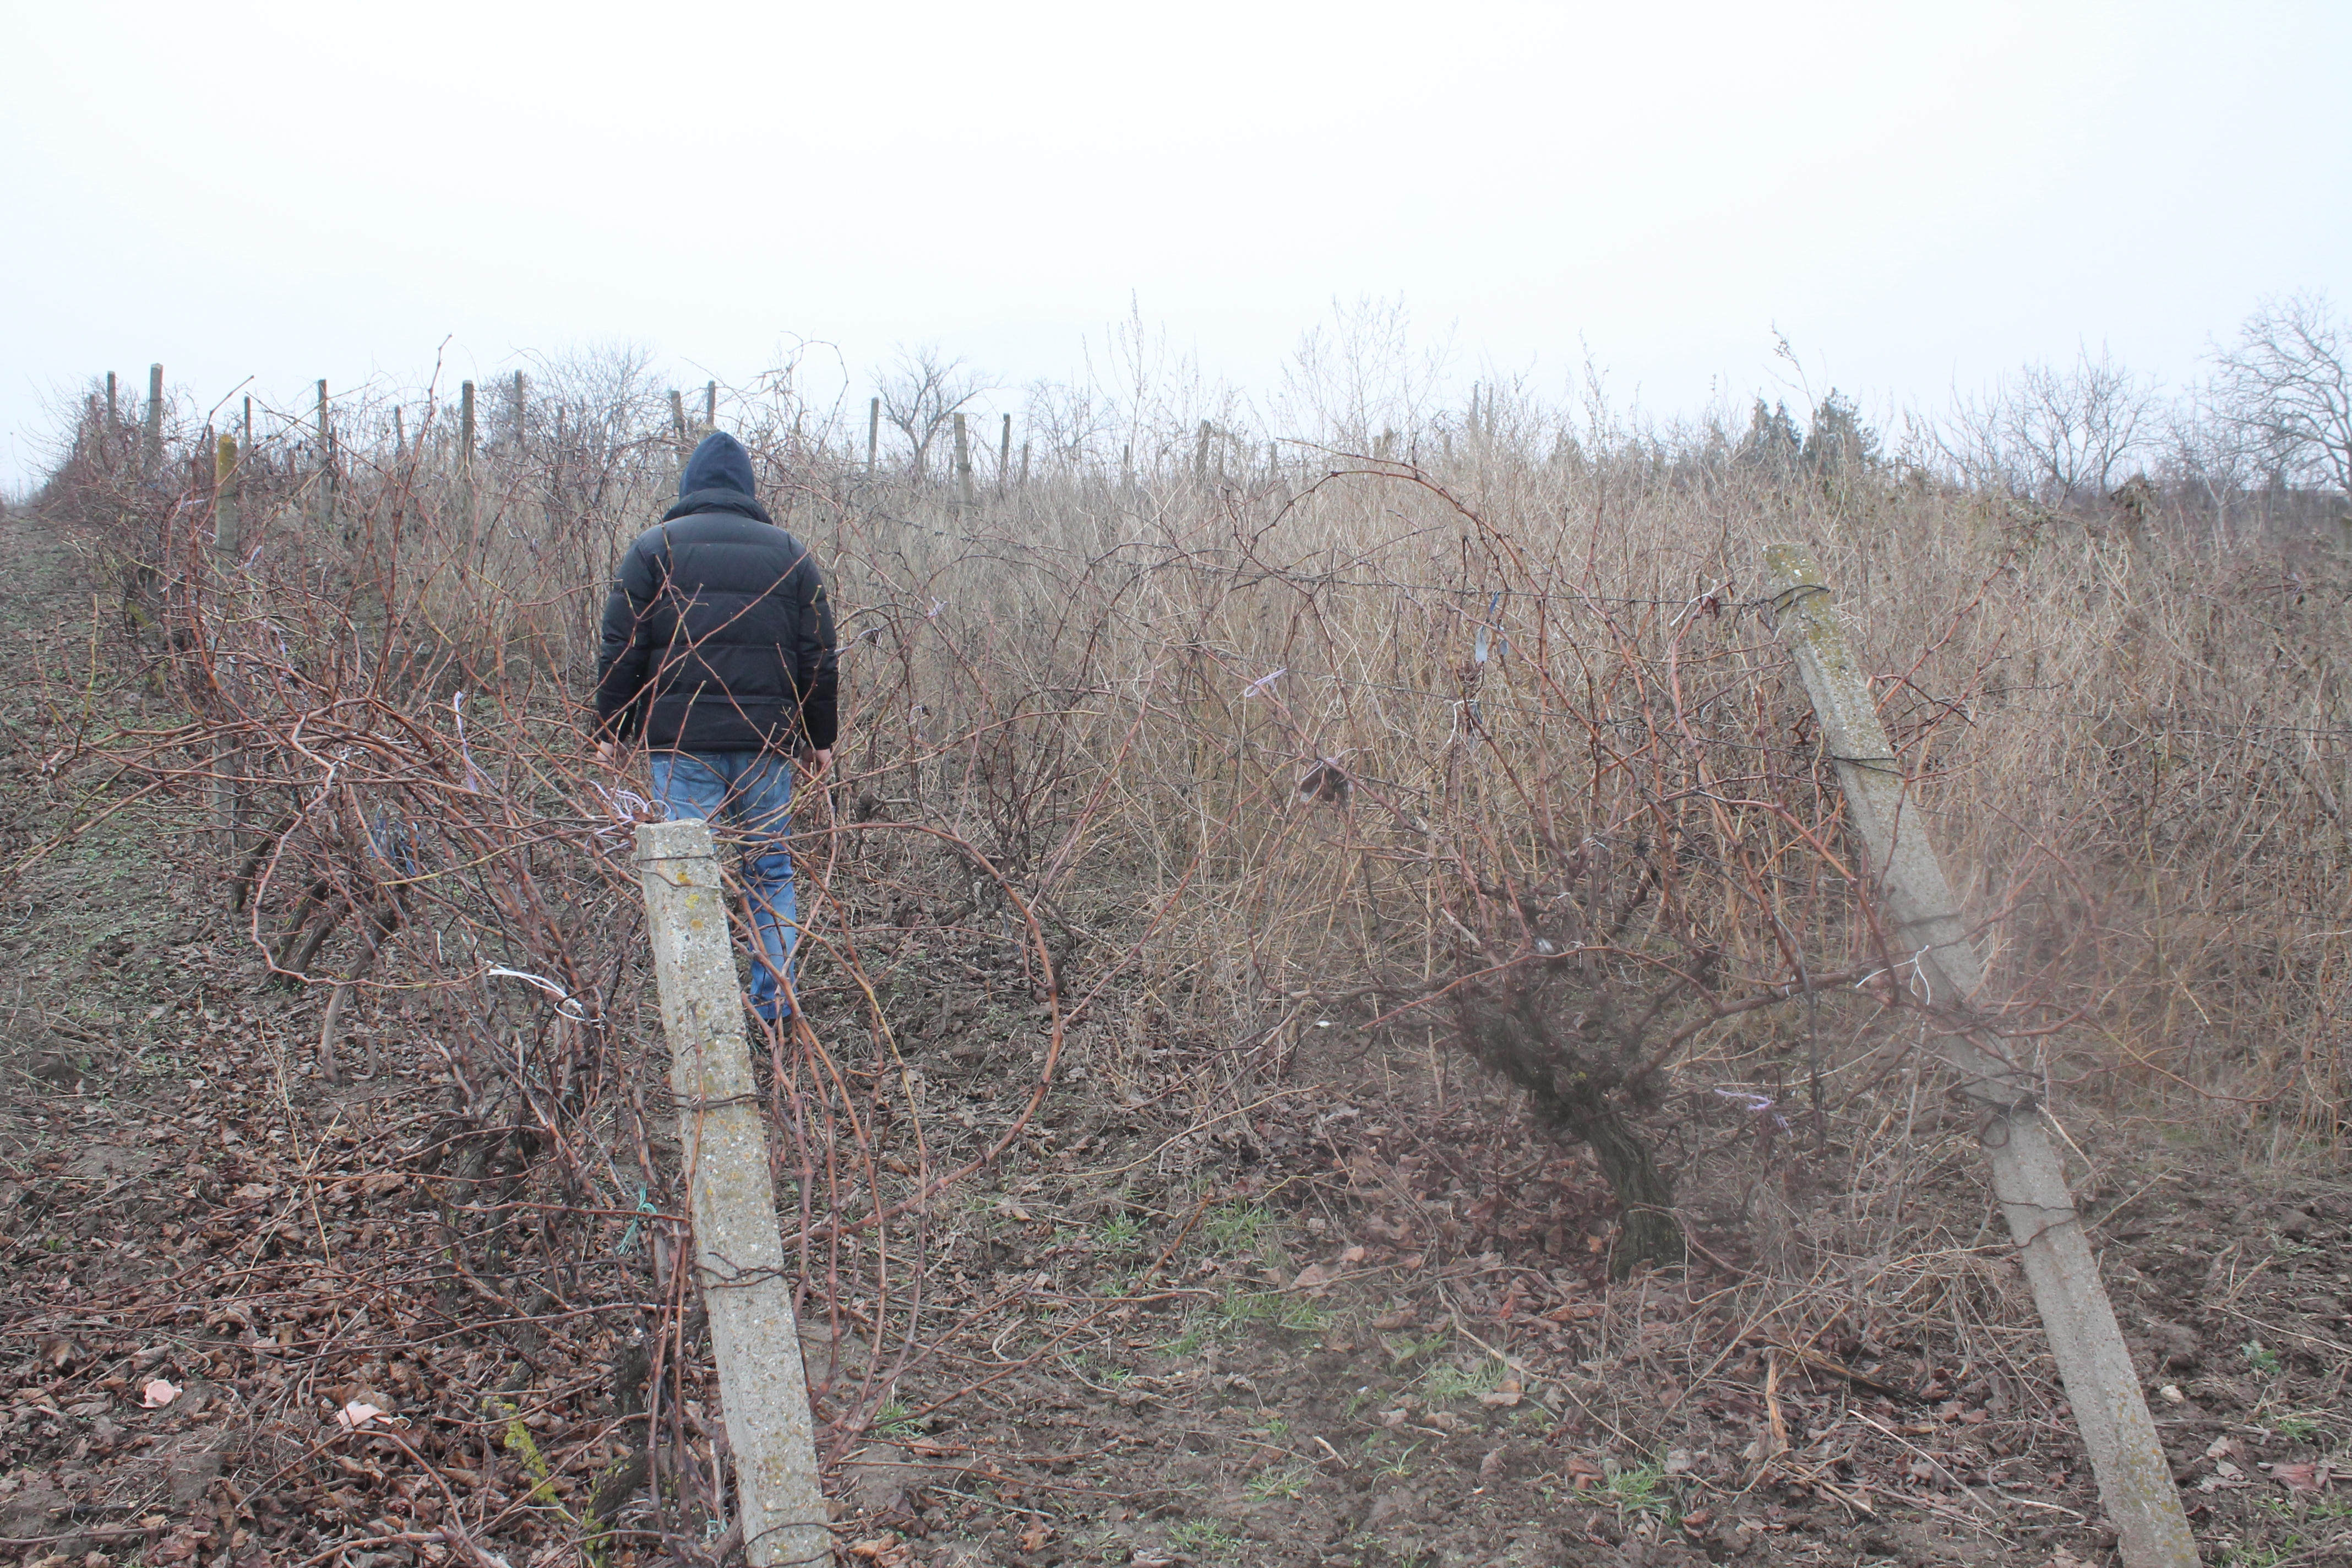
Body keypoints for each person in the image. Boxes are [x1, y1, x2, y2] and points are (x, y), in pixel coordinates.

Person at [594, 431, 838, 1024]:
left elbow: (622, 646)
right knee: (769, 868)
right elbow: (819, 656)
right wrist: (819, 737)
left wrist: (611, 727)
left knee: (685, 874)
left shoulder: (655, 549)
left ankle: (702, 1020)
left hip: (681, 743)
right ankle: (774, 1010)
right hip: (765, 746)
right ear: (749, 491)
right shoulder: (791, 554)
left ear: (688, 488)